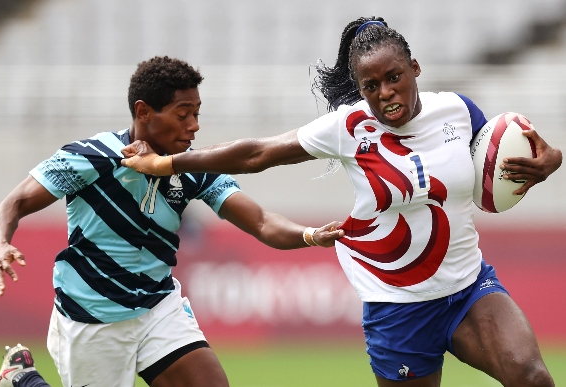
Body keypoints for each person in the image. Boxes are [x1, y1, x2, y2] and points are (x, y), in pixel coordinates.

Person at [120, 17, 563, 387]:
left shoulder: (458, 111)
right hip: (397, 307)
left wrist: (550, 160)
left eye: (395, 77)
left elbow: (502, 157)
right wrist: (168, 163)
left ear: (415, 67)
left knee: (533, 377)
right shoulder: (347, 126)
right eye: (371, 86)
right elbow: (257, 154)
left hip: (469, 289)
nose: (385, 92)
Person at [0, 56, 344, 387]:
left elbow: (263, 222)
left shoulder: (192, 167)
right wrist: (2, 241)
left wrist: (311, 235)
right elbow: (15, 202)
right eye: (183, 113)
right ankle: (21, 380)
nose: (194, 125)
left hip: (157, 307)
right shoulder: (91, 158)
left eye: (197, 113)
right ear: (143, 112)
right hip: (92, 316)